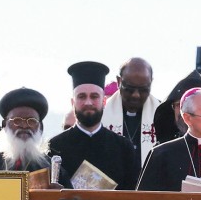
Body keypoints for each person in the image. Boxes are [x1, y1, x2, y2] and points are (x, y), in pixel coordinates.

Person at [48, 61, 140, 190]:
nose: (88, 102)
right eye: (81, 97)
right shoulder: (55, 147)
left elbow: (132, 196)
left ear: (103, 101)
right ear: (72, 102)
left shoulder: (123, 148)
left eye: (94, 96)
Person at [0, 87, 52, 172]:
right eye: (17, 121)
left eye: (31, 121)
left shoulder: (51, 168)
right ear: (4, 125)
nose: (24, 126)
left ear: (40, 127)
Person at [100, 58, 160, 165]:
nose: (136, 95)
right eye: (130, 89)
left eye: (143, 89)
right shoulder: (101, 113)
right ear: (119, 81)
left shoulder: (162, 114)